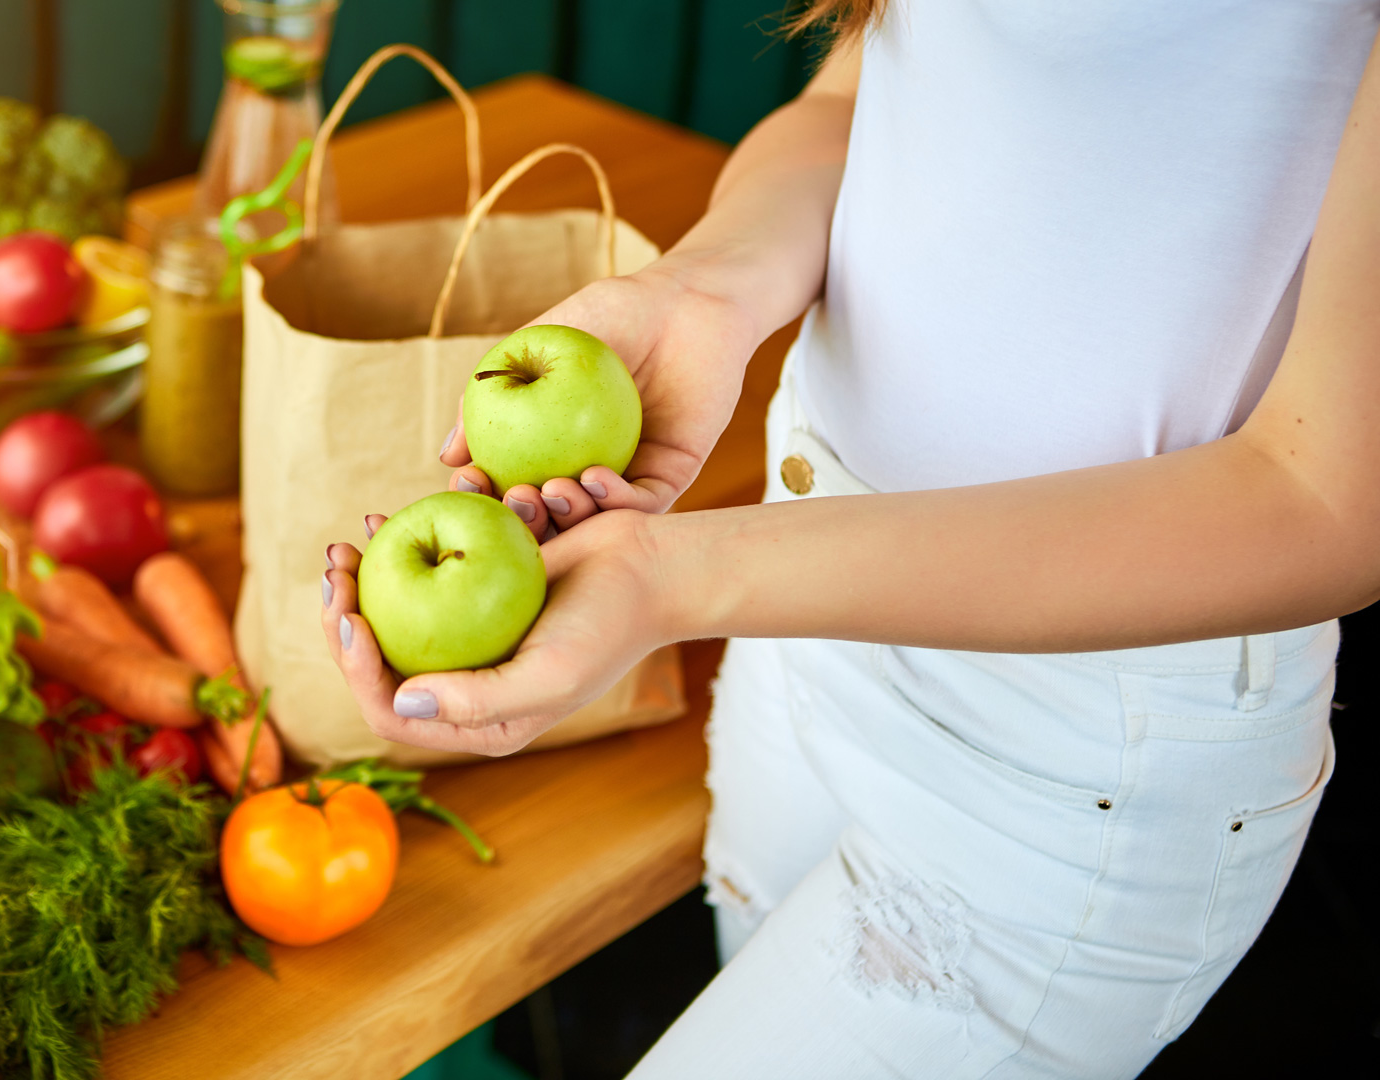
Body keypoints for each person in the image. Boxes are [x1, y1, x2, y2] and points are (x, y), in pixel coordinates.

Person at [318, 0, 1379, 1075]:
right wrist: (698, 290)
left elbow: (1330, 503)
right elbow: (854, 100)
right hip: (801, 624)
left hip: (1075, 757)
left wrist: (684, 577)